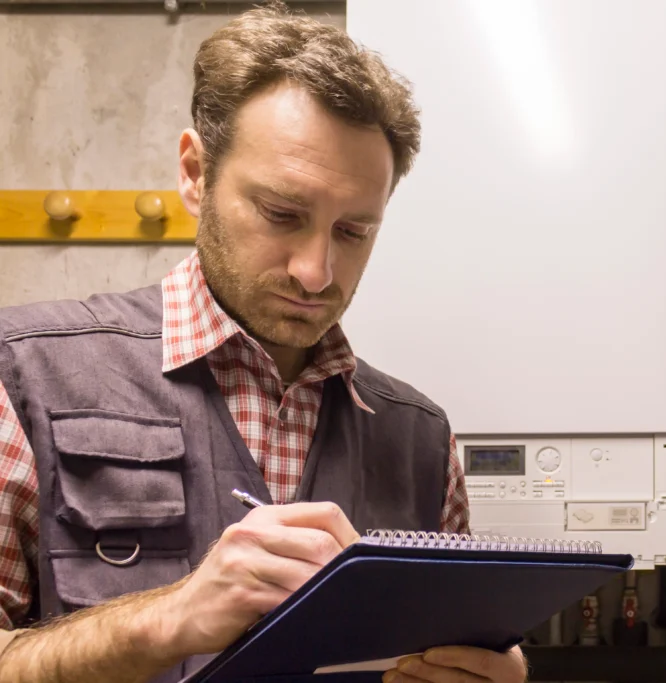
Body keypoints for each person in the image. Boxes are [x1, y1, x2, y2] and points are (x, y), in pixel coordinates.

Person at [0, 4, 528, 683]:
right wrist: (163, 619)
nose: (316, 272)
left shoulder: (420, 439)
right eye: (282, 214)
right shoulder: (26, 375)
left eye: (353, 231)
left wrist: (484, 670)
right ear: (195, 173)